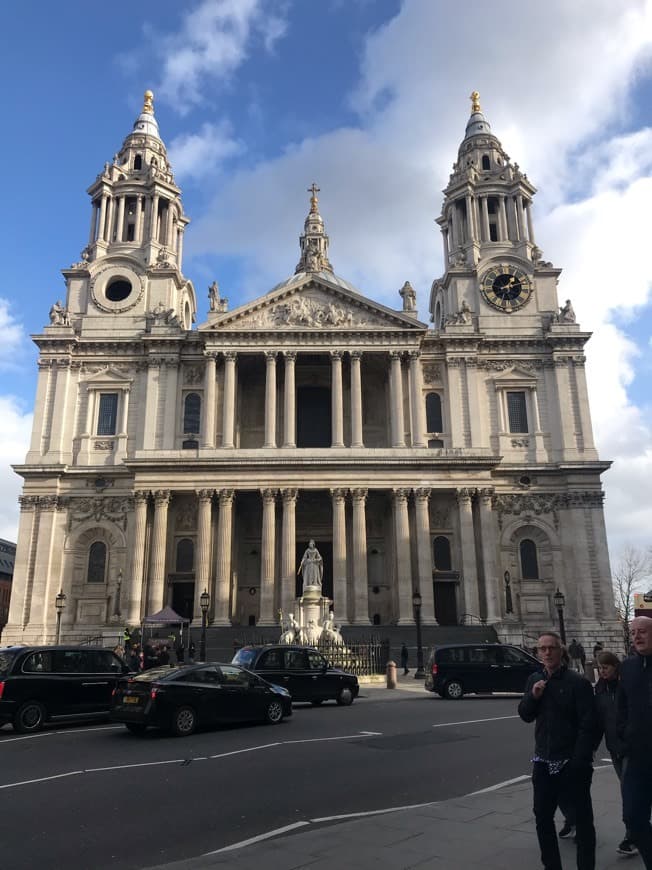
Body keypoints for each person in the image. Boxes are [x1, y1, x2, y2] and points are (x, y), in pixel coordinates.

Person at [518, 631, 597, 870]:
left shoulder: (578, 682)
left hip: (570, 763)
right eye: (542, 649)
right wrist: (533, 697)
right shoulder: (534, 680)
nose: (547, 652)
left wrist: (579, 761)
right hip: (543, 760)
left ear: (560, 651)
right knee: (542, 818)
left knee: (582, 821)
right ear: (538, 652)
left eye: (551, 648)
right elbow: (525, 714)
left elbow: (589, 724)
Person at [593, 650, 637, 857]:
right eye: (600, 668)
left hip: (631, 747)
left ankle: (632, 836)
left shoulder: (626, 687)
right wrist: (592, 746)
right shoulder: (600, 690)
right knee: (629, 791)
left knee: (629, 792)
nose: (602, 672)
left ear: (615, 666)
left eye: (605, 668)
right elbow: (599, 722)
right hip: (614, 748)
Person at [617, 615, 652, 867]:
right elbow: (621, 706)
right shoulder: (627, 667)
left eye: (642, 631)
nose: (636, 636)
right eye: (633, 632)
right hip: (637, 755)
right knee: (632, 816)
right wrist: (623, 739)